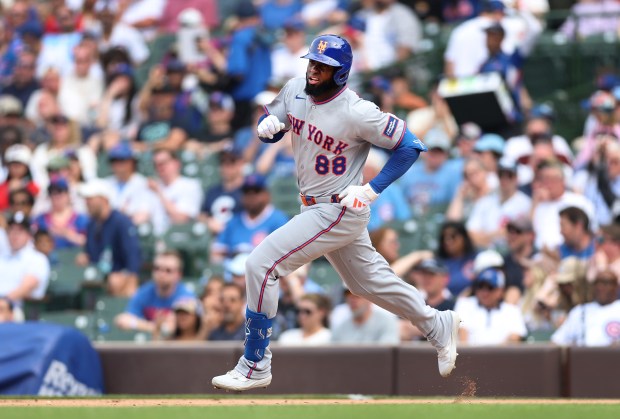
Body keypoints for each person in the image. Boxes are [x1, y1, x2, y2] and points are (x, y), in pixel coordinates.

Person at [212, 34, 461, 391]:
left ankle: (255, 363)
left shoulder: (357, 111)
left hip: (338, 206)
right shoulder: (296, 87)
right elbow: (274, 116)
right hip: (312, 203)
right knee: (365, 282)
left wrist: (372, 189)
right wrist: (266, 127)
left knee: (261, 265)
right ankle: (436, 323)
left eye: (323, 67)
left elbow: (410, 146)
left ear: (340, 72)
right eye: (312, 62)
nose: (314, 70)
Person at [77, 179, 142, 297]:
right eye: (86, 200)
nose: (87, 203)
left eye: (90, 199)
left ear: (104, 200)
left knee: (114, 281)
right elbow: (91, 253)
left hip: (117, 277)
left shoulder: (121, 222)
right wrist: (85, 257)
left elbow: (132, 256)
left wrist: (130, 281)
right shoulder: (92, 225)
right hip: (98, 277)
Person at [115, 250, 194, 334]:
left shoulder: (186, 296)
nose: (161, 274)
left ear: (178, 275)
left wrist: (139, 324)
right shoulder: (144, 292)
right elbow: (123, 320)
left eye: (168, 270)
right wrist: (154, 327)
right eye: (157, 269)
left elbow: (175, 328)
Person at [454, 268, 527, 345]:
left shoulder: (511, 310)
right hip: (469, 355)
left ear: (500, 291)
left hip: (502, 356)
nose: (485, 293)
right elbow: (462, 333)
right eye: (481, 287)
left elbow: (515, 337)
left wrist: (493, 355)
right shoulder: (465, 304)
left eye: (490, 288)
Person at [551, 270, 620, 346]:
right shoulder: (581, 311)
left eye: (605, 283)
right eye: (596, 283)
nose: (600, 287)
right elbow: (557, 341)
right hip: (584, 355)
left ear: (616, 286)